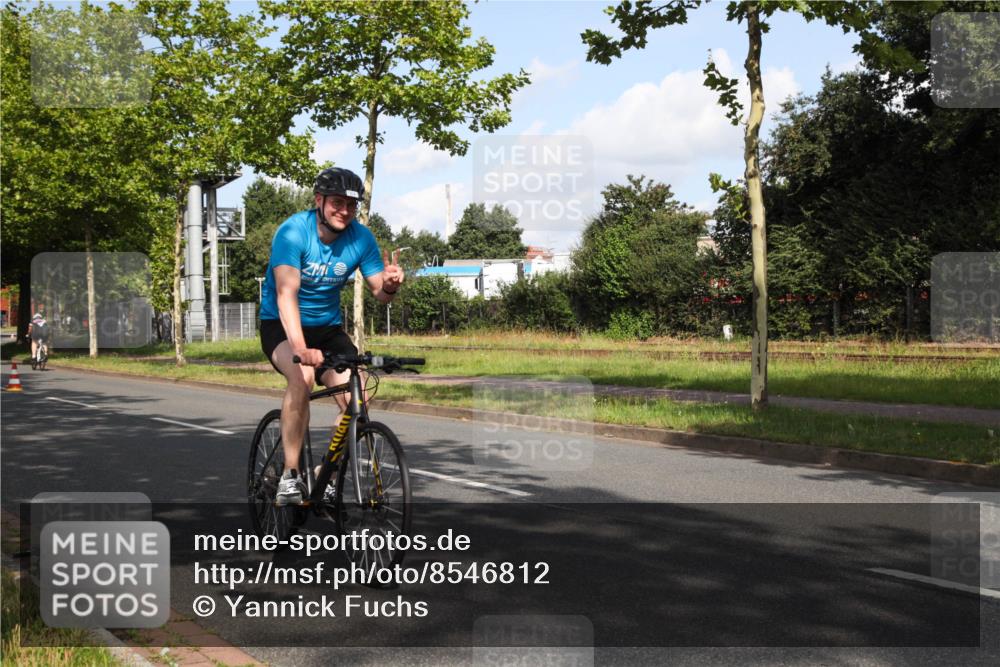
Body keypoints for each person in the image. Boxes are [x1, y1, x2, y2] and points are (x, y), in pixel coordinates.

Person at [259, 167, 403, 505]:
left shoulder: (361, 238)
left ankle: (326, 476)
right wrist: (300, 349)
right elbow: (286, 295)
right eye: (337, 203)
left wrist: (390, 285)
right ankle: (290, 476)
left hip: (326, 329)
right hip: (281, 324)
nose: (345, 211)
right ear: (319, 201)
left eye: (351, 205)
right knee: (303, 377)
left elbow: (380, 293)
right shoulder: (293, 232)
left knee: (358, 396)